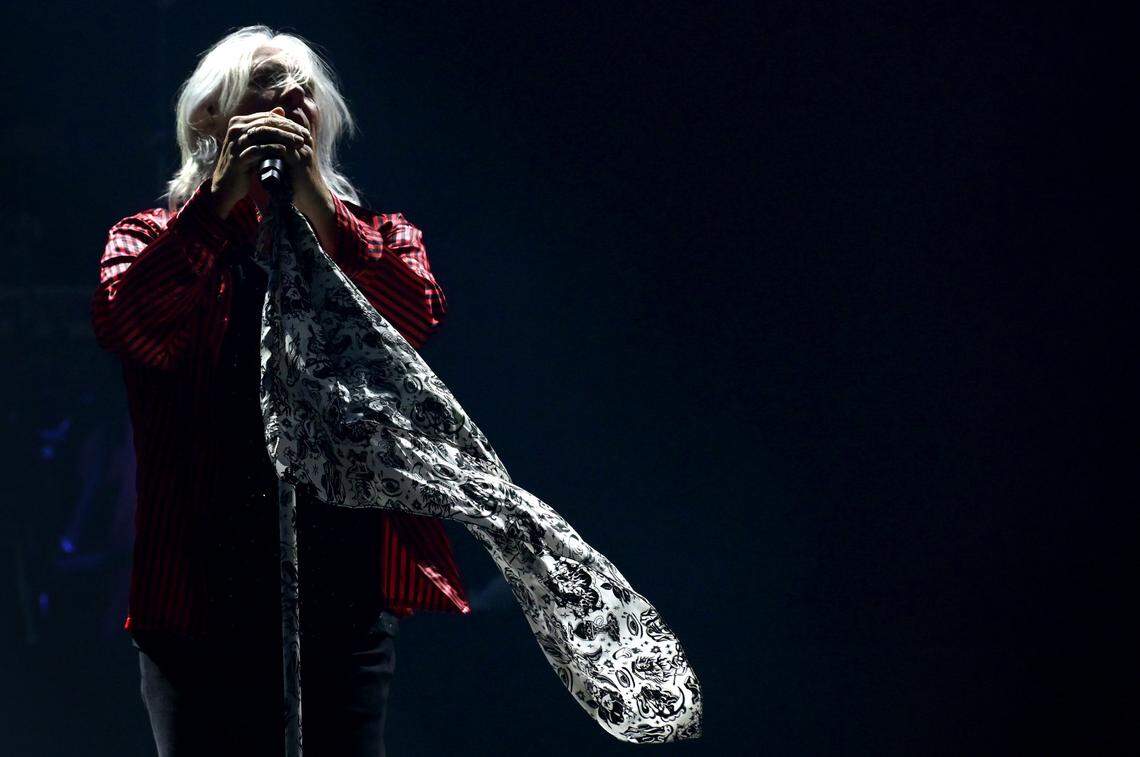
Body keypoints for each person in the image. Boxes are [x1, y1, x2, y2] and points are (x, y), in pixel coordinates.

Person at [90, 25, 471, 756]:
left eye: (305, 90)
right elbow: (133, 323)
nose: (292, 97)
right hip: (198, 610)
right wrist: (222, 196)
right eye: (269, 82)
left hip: (342, 602)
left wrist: (319, 211)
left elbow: (413, 315)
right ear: (211, 116)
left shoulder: (377, 236)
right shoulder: (147, 236)